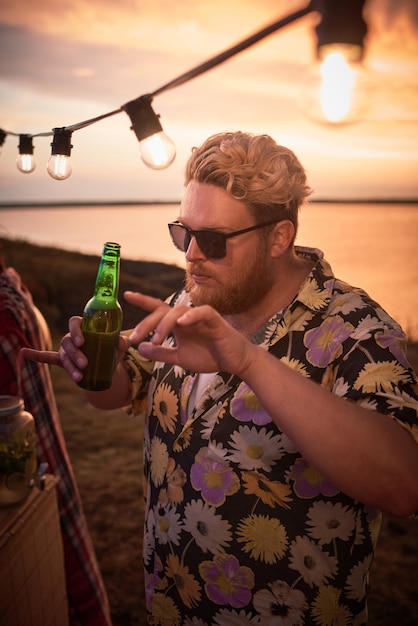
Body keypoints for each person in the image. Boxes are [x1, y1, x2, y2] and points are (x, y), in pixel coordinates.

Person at [23, 131, 418, 625]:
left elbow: (404, 486)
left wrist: (249, 362)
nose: (190, 254)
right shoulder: (189, 300)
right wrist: (93, 368)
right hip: (170, 605)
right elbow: (125, 389)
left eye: (211, 240)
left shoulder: (356, 328)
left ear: (279, 237)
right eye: (182, 233)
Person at [0, 253, 112, 626]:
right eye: (185, 236)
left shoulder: (6, 311)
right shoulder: (12, 291)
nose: (191, 252)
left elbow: (110, 395)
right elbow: (105, 396)